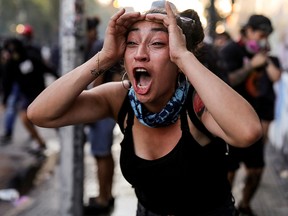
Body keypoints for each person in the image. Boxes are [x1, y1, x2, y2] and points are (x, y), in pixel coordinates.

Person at [27, 2, 262, 215]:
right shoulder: (120, 98)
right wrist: (105, 56)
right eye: (131, 43)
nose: (140, 54)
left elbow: (248, 132)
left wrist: (183, 55)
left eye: (158, 43)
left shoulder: (198, 104)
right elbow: (40, 113)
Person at [219, 14, 282, 215]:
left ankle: (244, 205)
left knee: (256, 170)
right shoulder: (230, 50)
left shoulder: (263, 54)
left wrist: (264, 59)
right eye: (260, 34)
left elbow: (274, 78)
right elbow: (226, 80)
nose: (263, 38)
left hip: (253, 118)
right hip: (230, 120)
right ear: (248, 31)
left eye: (266, 36)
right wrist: (250, 66)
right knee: (229, 171)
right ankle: (225, 208)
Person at [83, 16, 122, 214]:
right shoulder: (100, 43)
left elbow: (98, 77)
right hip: (108, 105)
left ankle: (103, 197)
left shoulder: (99, 45)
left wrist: (94, 99)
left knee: (101, 154)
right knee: (104, 154)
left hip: (103, 106)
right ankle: (106, 194)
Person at [2, 37, 58, 156]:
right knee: (25, 118)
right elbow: (7, 83)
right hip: (27, 96)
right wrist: (5, 99)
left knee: (54, 118)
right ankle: (40, 142)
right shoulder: (11, 64)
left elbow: (46, 68)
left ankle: (63, 135)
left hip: (40, 93)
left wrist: (59, 78)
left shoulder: (31, 57)